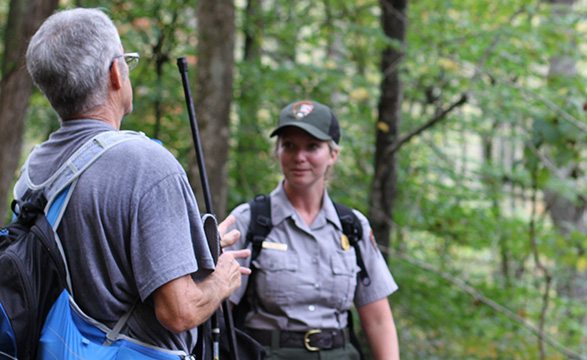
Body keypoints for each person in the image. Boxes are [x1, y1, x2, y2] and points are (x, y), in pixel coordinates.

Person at [19, 7, 250, 355]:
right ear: (116, 72)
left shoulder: (35, 170)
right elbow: (178, 311)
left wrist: (184, 246)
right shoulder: (146, 164)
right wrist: (222, 279)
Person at [224, 100, 400, 359]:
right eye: (289, 145)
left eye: (313, 147)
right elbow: (218, 312)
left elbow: (378, 321)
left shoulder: (353, 227)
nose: (299, 157)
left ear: (333, 155)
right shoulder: (249, 222)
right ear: (277, 151)